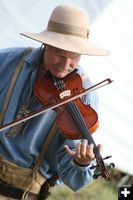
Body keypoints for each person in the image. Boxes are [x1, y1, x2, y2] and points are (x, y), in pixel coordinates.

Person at [0, 4, 110, 200]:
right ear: (46, 44)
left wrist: (82, 163)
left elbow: (73, 180)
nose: (65, 66)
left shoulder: (84, 94)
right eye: (60, 54)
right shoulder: (7, 61)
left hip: (22, 193)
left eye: (74, 57)